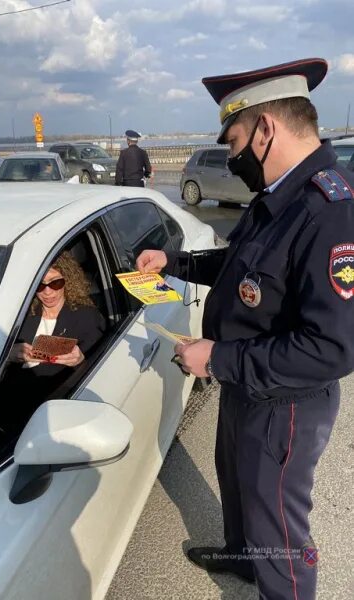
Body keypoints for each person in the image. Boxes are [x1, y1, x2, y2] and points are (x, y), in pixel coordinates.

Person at [136, 58, 354, 600]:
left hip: (285, 400)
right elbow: (241, 269)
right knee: (236, 482)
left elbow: (332, 348)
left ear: (264, 130)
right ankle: (242, 558)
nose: (231, 157)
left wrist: (218, 360)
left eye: (232, 142)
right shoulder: (278, 198)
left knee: (277, 521)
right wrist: (176, 263)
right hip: (245, 379)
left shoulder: (329, 212)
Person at [0, 251, 106, 436]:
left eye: (56, 282)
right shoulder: (21, 313)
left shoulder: (87, 317)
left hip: (52, 410)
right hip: (2, 406)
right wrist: (9, 355)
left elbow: (102, 364)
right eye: (40, 285)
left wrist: (80, 360)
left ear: (68, 279)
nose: (48, 291)